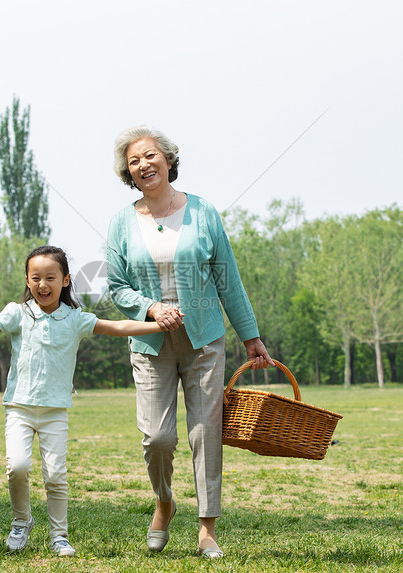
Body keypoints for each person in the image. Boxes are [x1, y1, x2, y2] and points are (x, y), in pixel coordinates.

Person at [0, 245, 179, 557]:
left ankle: (59, 536)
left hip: (56, 409)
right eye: (35, 278)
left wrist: (157, 325)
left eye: (50, 277)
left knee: (55, 475)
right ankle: (21, 522)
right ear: (28, 281)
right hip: (19, 407)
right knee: (16, 467)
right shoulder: (17, 314)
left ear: (66, 280)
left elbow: (119, 327)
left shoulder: (75, 319)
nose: (42, 284)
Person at [106, 125, 273, 559]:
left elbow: (228, 281)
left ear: (168, 159)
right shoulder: (122, 222)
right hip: (150, 344)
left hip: (203, 341)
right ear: (129, 172)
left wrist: (250, 337)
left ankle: (207, 529)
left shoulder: (203, 212)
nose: (143, 165)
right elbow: (117, 287)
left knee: (205, 434)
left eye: (150, 155)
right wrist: (151, 308)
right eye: (134, 161)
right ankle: (164, 502)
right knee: (157, 437)